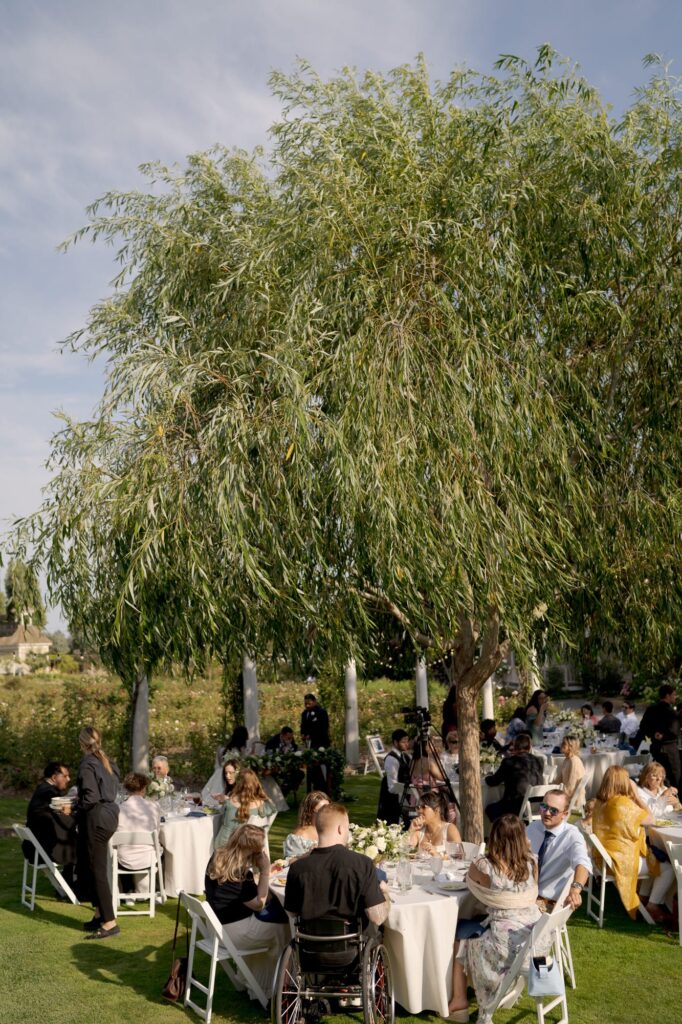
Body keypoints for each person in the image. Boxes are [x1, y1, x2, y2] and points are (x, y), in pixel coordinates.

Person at [448, 815, 545, 1024]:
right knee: (470, 929)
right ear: (522, 838)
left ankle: (459, 1001)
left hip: (505, 944)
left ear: (494, 837)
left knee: (461, 934)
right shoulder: (532, 862)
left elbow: (471, 883)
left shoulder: (485, 866)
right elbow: (529, 895)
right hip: (535, 940)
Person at [205, 825, 289, 996]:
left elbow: (240, 892)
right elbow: (260, 903)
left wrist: (262, 874)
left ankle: (251, 980)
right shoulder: (240, 874)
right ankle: (275, 988)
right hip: (235, 934)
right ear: (253, 849)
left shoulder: (218, 858)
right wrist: (265, 871)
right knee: (285, 927)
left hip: (215, 928)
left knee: (271, 926)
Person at [284, 802, 389, 929]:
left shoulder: (297, 867)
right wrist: (384, 892)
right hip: (351, 943)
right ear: (340, 829)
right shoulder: (362, 864)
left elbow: (292, 912)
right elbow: (378, 917)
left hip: (309, 944)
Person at [592, 765, 674, 923]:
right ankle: (653, 905)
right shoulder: (622, 804)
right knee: (667, 868)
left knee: (653, 860)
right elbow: (650, 819)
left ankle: (643, 897)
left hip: (603, 858)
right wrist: (636, 796)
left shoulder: (600, 801)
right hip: (619, 860)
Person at [76, 725, 120, 939]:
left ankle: (110, 923)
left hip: (97, 819)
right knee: (91, 867)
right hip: (110, 815)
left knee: (97, 871)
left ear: (82, 744)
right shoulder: (107, 762)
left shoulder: (87, 763)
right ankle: (99, 913)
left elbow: (91, 797)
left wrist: (74, 807)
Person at [526, 789, 591, 912]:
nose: (547, 813)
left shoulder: (571, 835)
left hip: (546, 903)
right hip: (524, 893)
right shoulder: (533, 828)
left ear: (565, 814)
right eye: (544, 807)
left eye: (554, 810)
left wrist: (575, 889)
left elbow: (583, 864)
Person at [22, 761, 77, 886]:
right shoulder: (50, 793)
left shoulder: (42, 789)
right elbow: (64, 821)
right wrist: (68, 813)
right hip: (41, 850)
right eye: (65, 776)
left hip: (32, 848)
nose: (68, 779)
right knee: (82, 845)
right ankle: (76, 886)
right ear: (54, 777)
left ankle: (68, 883)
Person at [115, 772, 161, 893]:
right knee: (163, 848)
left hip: (124, 859)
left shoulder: (118, 809)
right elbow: (157, 831)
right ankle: (154, 888)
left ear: (126, 789)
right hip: (148, 858)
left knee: (117, 849)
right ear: (144, 788)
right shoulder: (154, 807)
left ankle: (127, 890)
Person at [484, 734, 544, 822]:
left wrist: (486, 777)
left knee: (489, 809)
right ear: (529, 747)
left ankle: (502, 834)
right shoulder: (539, 761)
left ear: (514, 748)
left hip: (515, 806)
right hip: (536, 804)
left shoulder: (509, 762)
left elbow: (493, 782)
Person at [213, 768, 276, 851]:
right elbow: (273, 809)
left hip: (223, 847)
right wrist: (262, 795)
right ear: (255, 783)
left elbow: (223, 816)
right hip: (247, 848)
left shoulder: (230, 803)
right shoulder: (261, 805)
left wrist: (226, 800)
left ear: (238, 784)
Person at [632, 684, 680, 790]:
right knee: (674, 778)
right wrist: (663, 736)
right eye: (674, 695)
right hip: (670, 749)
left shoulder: (651, 709)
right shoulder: (671, 712)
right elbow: (674, 731)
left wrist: (653, 734)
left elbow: (643, 726)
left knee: (659, 777)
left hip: (656, 748)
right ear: (667, 695)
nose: (675, 697)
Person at [376, 729, 411, 825]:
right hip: (392, 798)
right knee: (391, 823)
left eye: (407, 741)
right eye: (403, 741)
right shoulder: (391, 759)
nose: (406, 744)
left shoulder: (406, 756)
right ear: (395, 742)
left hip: (403, 793)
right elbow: (392, 786)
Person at [283, 790, 329, 859]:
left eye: (330, 808)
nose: (328, 813)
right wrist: (310, 853)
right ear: (310, 812)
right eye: (323, 809)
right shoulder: (298, 837)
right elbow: (291, 863)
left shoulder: (335, 830)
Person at [300, 693, 331, 793]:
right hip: (309, 745)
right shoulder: (304, 714)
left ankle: (323, 788)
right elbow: (303, 726)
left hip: (320, 743)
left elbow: (323, 728)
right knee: (311, 767)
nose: (307, 705)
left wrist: (311, 735)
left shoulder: (321, 712)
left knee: (320, 766)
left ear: (314, 702)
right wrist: (303, 734)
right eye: (305, 703)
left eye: (309, 703)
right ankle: (313, 787)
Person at [264, 726, 304, 797]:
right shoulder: (272, 741)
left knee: (300, 774)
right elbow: (269, 755)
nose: (290, 739)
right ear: (282, 735)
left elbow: (295, 748)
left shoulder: (291, 741)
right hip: (276, 768)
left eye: (291, 738)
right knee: (290, 778)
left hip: (289, 767)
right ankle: (284, 790)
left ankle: (284, 790)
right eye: (288, 738)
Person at [552, 735, 586, 804]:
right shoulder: (567, 760)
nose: (561, 744)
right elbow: (559, 779)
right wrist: (549, 788)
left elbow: (571, 787)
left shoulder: (574, 761)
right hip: (567, 794)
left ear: (571, 747)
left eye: (564, 743)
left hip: (574, 800)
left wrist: (557, 795)